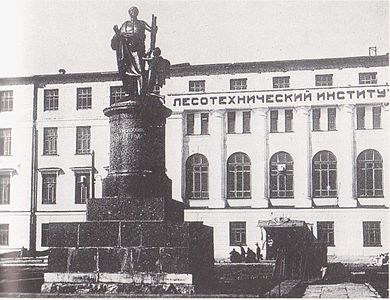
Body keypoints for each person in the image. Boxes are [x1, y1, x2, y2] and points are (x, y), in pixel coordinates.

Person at [111, 6, 152, 96]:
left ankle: (142, 92)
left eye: (135, 11)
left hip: (137, 50)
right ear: (129, 13)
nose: (133, 12)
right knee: (127, 71)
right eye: (131, 11)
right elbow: (120, 37)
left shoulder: (141, 23)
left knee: (140, 70)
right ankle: (130, 92)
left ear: (137, 13)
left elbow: (152, 30)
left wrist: (155, 28)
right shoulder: (125, 24)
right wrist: (117, 33)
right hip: (127, 50)